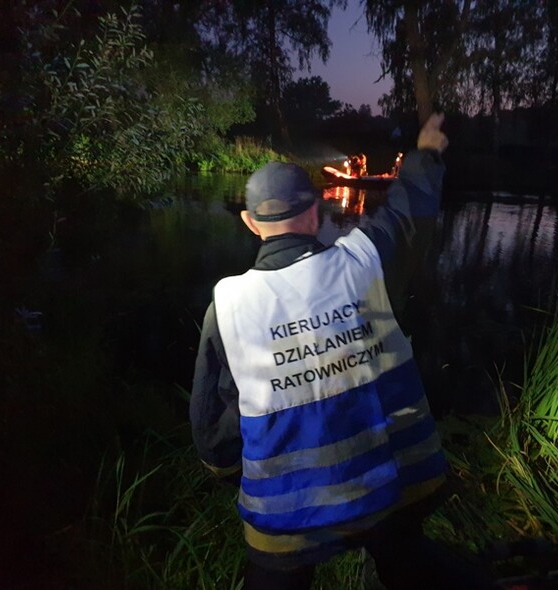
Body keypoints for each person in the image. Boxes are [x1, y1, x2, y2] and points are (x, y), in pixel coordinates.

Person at [190, 113, 455, 589]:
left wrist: (238, 469)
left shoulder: (227, 305)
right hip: (393, 487)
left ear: (251, 223)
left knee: (278, 567)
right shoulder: (364, 260)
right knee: (405, 553)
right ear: (315, 213)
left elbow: (213, 433)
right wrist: (427, 151)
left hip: (287, 516)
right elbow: (407, 210)